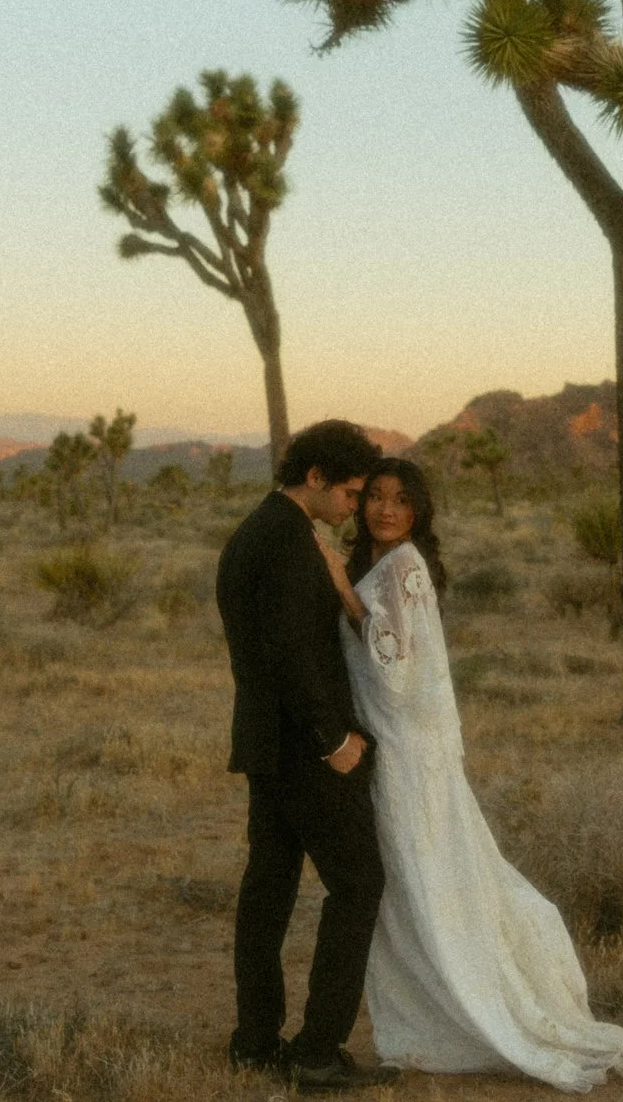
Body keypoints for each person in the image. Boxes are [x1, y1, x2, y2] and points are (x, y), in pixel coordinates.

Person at [317, 458, 623, 1093]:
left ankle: (469, 1011)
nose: (384, 509)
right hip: (393, 744)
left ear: (418, 512)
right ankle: (431, 1016)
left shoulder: (405, 567)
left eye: (400, 500)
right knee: (411, 881)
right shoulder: (382, 566)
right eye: (375, 497)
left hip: (408, 750)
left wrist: (340, 587)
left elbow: (394, 664)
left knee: (424, 876)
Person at [216, 419, 399, 1092]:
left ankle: (255, 1041)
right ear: (315, 477)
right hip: (303, 748)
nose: (355, 506)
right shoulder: (288, 541)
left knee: (268, 889)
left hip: (266, 742)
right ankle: (318, 1051)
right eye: (349, 492)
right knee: (359, 882)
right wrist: (333, 740)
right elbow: (291, 654)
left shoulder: (256, 531)